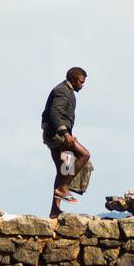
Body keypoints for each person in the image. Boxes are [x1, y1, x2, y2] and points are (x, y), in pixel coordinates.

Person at [42, 67, 91, 217]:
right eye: (81, 82)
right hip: (57, 136)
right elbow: (55, 113)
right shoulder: (62, 91)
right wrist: (65, 134)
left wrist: (69, 133)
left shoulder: (67, 91)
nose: (82, 85)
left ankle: (54, 211)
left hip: (57, 135)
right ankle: (64, 188)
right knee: (84, 155)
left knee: (64, 170)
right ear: (74, 79)